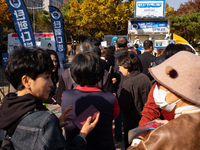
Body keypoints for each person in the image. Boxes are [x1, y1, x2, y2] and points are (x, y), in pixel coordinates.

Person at [0, 47, 99, 150]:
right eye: (46, 77)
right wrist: (82, 135)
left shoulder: (6, 108)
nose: (51, 83)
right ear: (26, 81)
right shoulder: (45, 121)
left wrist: (54, 128)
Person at [127, 51, 200, 150]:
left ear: (178, 90)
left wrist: (137, 142)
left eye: (162, 84)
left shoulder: (162, 134)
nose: (157, 88)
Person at [61, 51, 120, 150]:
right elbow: (114, 115)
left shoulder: (65, 96)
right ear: (100, 72)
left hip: (73, 146)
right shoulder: (111, 98)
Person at [138, 44, 196, 137]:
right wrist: (140, 136)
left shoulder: (195, 86)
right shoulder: (160, 85)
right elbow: (149, 111)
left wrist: (173, 126)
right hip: (168, 138)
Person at [116, 51, 151, 149]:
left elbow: (125, 106)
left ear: (126, 66)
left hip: (132, 122)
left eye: (120, 66)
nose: (119, 69)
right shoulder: (145, 77)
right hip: (146, 120)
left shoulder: (128, 83)